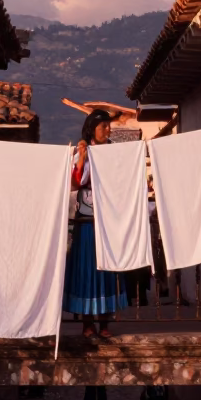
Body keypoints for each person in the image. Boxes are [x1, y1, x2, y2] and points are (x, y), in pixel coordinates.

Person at [63, 109, 128, 345]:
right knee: (87, 269)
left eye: (109, 127)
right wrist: (82, 156)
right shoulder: (82, 153)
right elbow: (76, 182)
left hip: (107, 221)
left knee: (106, 270)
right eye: (103, 127)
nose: (108, 130)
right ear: (92, 129)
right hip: (86, 221)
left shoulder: (113, 153)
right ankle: (87, 323)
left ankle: (105, 322)